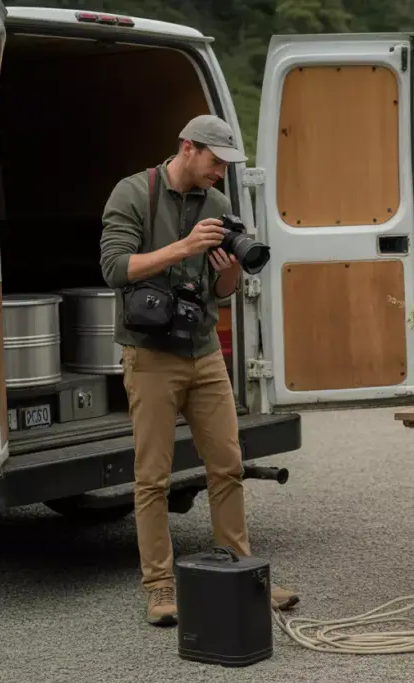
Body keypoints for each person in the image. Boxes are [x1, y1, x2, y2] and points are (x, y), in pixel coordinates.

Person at [99, 114, 299, 626]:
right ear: (187, 148)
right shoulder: (131, 193)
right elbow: (115, 268)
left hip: (204, 351)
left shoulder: (219, 204)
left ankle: (243, 573)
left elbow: (221, 293)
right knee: (152, 477)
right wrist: (183, 247)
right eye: (215, 161)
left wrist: (229, 272)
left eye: (228, 165)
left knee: (228, 465)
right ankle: (160, 588)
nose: (221, 172)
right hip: (150, 353)